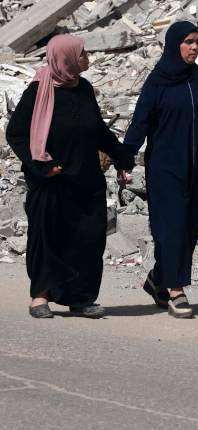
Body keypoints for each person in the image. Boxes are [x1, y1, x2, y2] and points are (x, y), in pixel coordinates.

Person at [6, 35, 134, 319]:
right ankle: (40, 296)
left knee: (88, 240)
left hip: (86, 181)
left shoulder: (84, 88)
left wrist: (122, 156)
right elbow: (16, 133)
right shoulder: (39, 91)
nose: (87, 57)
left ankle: (81, 298)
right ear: (65, 58)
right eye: (82, 53)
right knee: (48, 240)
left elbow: (97, 129)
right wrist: (42, 166)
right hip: (51, 183)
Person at [125, 21, 198, 319]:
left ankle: (158, 279)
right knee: (170, 229)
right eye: (188, 42)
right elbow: (140, 124)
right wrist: (124, 158)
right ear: (174, 45)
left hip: (197, 172)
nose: (194, 47)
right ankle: (176, 289)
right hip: (165, 170)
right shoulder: (158, 82)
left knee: (188, 229)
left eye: (197, 41)